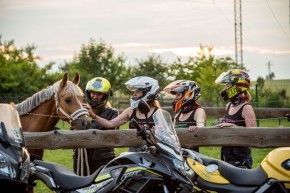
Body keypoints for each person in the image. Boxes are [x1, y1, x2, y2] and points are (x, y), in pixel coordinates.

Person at [84, 76, 161, 152]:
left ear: (147, 93)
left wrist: (157, 133)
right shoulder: (130, 111)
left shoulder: (158, 113)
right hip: (133, 153)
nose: (134, 94)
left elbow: (166, 135)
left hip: (152, 153)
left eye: (137, 91)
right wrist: (93, 116)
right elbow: (110, 124)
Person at [73, 77, 119, 176]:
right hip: (81, 158)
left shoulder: (113, 113)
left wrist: (93, 115)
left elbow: (112, 132)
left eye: (99, 94)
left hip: (103, 159)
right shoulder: (81, 111)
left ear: (105, 95)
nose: (94, 96)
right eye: (92, 93)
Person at [215, 69, 257, 169]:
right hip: (226, 155)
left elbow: (254, 135)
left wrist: (234, 127)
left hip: (241, 158)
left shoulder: (247, 108)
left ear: (237, 87)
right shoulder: (229, 105)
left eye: (227, 85)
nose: (225, 88)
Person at [163, 80, 206, 152]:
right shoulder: (177, 116)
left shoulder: (199, 111)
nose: (175, 97)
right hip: (177, 152)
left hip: (192, 153)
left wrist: (196, 128)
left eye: (178, 94)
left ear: (188, 95)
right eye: (175, 95)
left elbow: (202, 129)